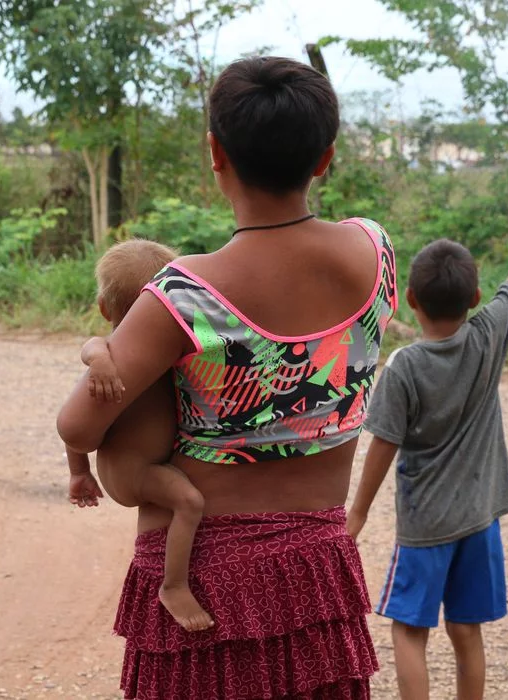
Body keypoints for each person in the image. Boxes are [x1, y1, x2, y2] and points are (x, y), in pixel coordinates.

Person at [57, 56, 397, 700]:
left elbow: (80, 424)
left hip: (203, 582)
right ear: (324, 158)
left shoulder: (184, 297)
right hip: (315, 573)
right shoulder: (375, 251)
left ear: (216, 152)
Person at [346, 174, 508, 700]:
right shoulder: (489, 335)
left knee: (409, 631)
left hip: (424, 526)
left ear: (410, 299)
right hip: (480, 519)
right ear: (477, 297)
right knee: (466, 631)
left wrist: (358, 513)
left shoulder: (404, 367)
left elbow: (384, 446)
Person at [64, 238, 214, 633]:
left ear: (103, 306)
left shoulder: (168, 349)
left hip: (146, 462)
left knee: (189, 498)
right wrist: (98, 361)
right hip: (132, 472)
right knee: (190, 502)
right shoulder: (110, 356)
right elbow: (75, 420)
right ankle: (174, 585)